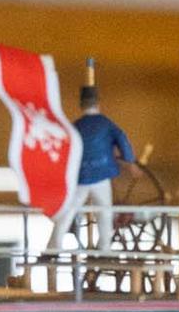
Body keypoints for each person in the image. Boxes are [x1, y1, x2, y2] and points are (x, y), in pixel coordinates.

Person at [49, 84, 136, 252]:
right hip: (101, 175)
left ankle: (54, 246)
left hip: (81, 177)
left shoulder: (76, 126)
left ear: (82, 105)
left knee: (69, 211)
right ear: (98, 103)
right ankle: (104, 248)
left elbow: (65, 150)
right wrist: (130, 162)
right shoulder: (106, 124)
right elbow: (122, 140)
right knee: (104, 212)